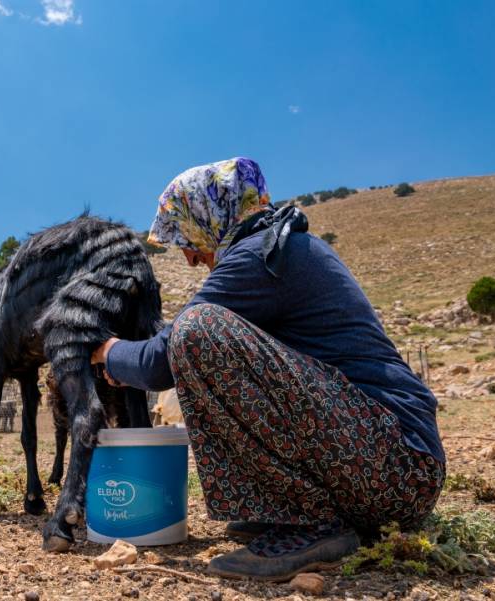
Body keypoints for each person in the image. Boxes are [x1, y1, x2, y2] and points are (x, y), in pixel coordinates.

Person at [90, 158, 444, 581]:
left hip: (395, 466)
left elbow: (157, 363)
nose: (187, 257)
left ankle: (317, 524)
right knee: (201, 333)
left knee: (199, 330)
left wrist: (103, 349)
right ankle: (301, 511)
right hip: (389, 466)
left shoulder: (262, 255)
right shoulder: (279, 246)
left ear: (211, 217)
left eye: (185, 236)